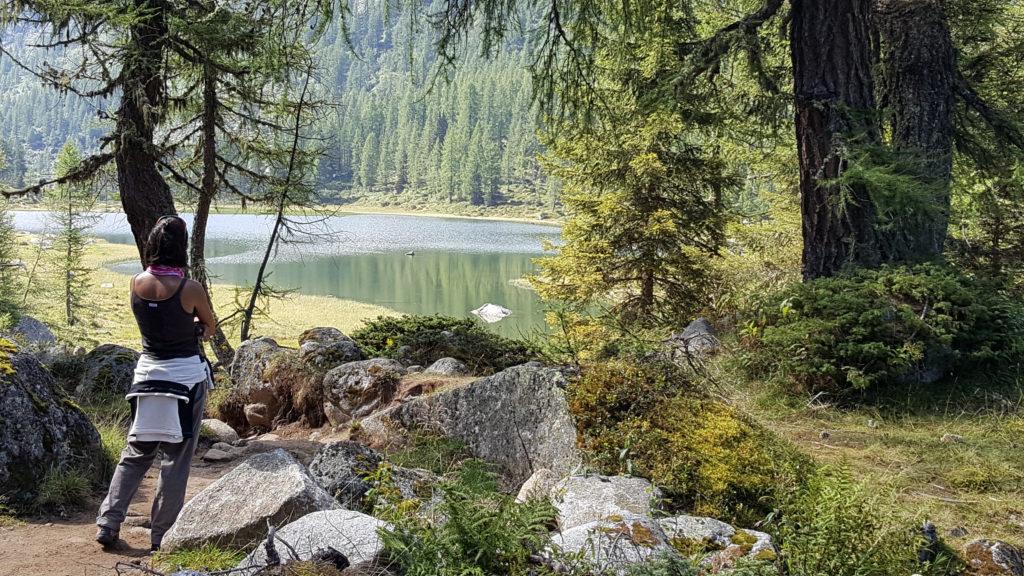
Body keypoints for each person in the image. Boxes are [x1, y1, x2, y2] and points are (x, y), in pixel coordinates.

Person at [95, 215, 217, 552]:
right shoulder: (189, 288)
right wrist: (196, 328)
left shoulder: (136, 282)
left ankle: (108, 521)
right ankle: (162, 536)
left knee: (136, 453)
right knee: (175, 459)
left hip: (146, 377)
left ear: (151, 245)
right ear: (182, 247)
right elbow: (210, 327)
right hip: (185, 381)